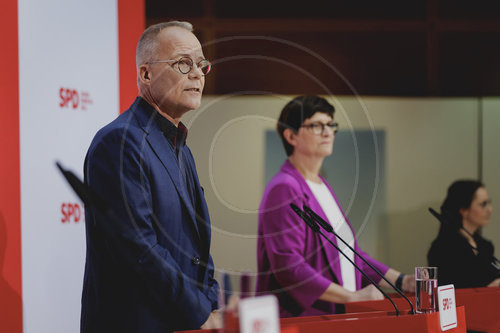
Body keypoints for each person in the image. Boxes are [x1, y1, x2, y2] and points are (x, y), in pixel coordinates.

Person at [81, 21, 221, 332]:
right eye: (184, 63)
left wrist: (211, 303)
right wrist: (200, 313)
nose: (197, 74)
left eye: (201, 64)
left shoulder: (180, 147)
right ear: (146, 74)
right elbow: (138, 249)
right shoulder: (118, 142)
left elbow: (198, 251)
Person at [256, 95, 415, 317]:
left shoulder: (321, 186)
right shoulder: (285, 188)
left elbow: (350, 255)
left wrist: (401, 280)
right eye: (317, 125)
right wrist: (351, 296)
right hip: (304, 320)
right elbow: (288, 266)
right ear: (291, 136)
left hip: (337, 316)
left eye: (331, 124)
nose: (328, 132)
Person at [428, 180, 500, 288]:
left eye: (489, 203)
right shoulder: (443, 248)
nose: (490, 209)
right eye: (483, 204)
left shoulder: (485, 246)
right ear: (463, 210)